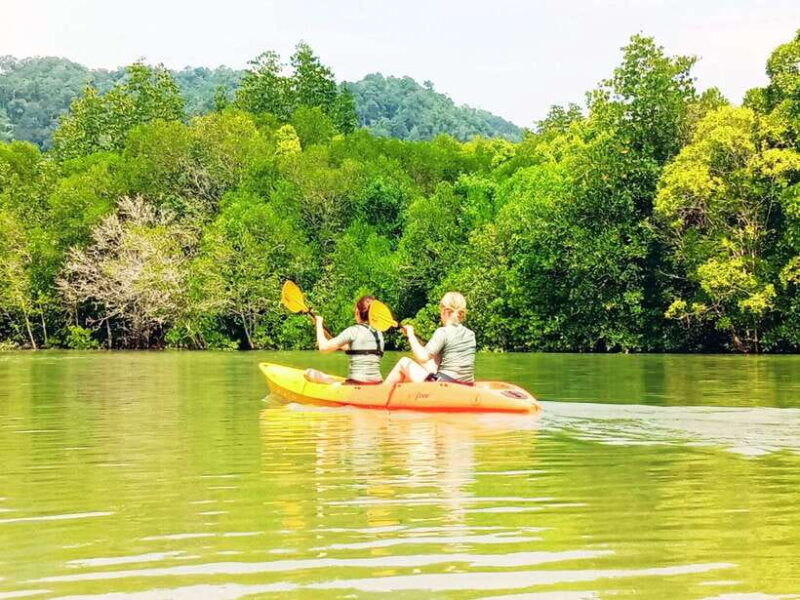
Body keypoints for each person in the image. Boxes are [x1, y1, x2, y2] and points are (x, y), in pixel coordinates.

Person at [383, 292, 476, 385]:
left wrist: (411, 335)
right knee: (431, 361)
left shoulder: (442, 332)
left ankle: (379, 392)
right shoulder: (470, 334)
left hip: (444, 386)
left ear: (445, 311)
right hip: (466, 385)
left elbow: (422, 357)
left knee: (404, 362)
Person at [306, 296, 384, 385]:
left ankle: (335, 385)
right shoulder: (379, 333)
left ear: (357, 312)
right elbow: (352, 348)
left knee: (308, 372)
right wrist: (326, 333)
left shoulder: (353, 331)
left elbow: (323, 348)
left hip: (356, 385)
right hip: (378, 384)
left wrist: (319, 323)